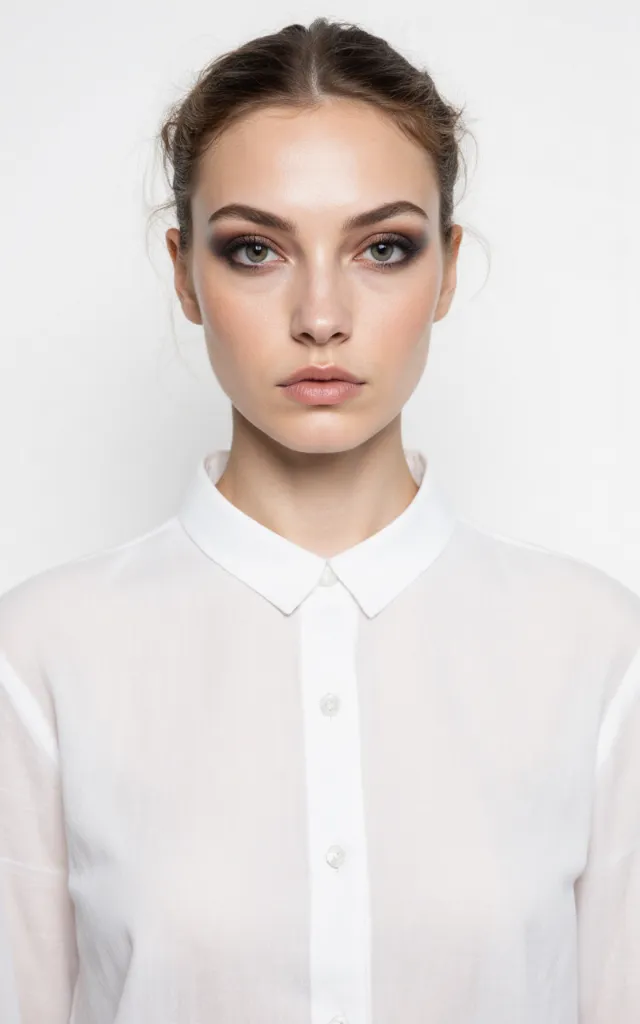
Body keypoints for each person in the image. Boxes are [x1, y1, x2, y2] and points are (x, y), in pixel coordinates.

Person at [1, 16, 639, 1024]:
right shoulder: (39, 656)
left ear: (444, 268)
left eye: (382, 247)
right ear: (184, 275)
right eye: (255, 249)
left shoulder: (598, 652)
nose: (321, 314)